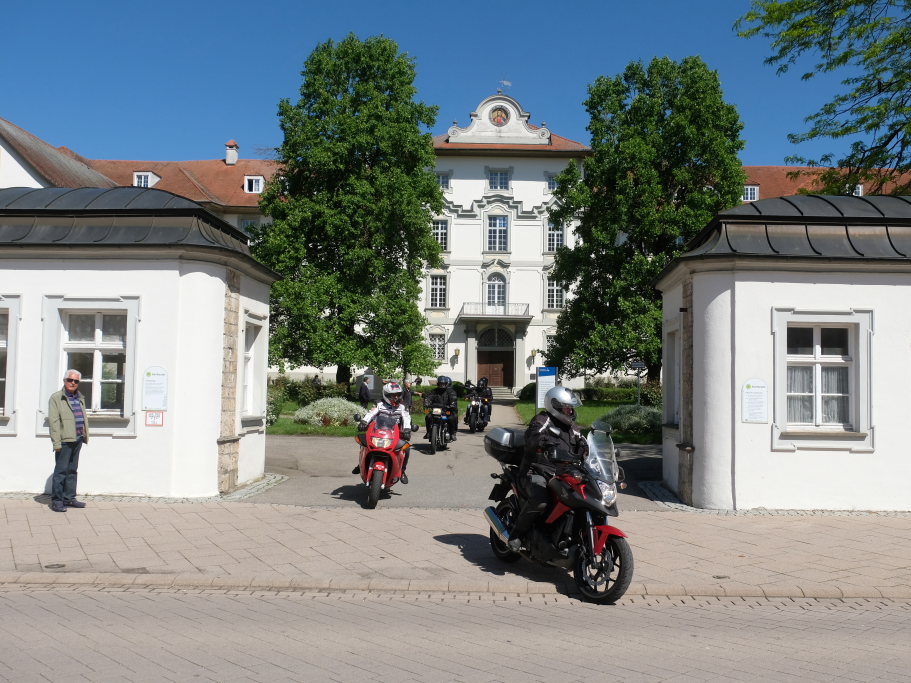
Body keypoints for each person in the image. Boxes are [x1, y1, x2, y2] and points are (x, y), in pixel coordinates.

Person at [508, 385, 587, 551]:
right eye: (567, 408)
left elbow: (582, 440)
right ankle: (517, 534)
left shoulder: (572, 427)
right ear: (555, 406)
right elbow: (533, 436)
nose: (570, 411)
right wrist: (543, 442)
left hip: (563, 473)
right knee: (541, 500)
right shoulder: (542, 420)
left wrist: (586, 448)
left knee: (582, 498)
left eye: (571, 408)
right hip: (536, 471)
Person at [352, 381, 413, 483]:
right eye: (393, 395)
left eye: (398, 395)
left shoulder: (403, 406)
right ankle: (361, 463)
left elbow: (407, 418)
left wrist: (407, 429)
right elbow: (371, 413)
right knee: (364, 443)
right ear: (386, 395)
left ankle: (402, 471)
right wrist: (364, 422)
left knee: (406, 449)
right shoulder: (379, 403)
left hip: (395, 433)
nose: (396, 397)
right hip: (377, 431)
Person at [47, 369, 91, 512]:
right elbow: (54, 422)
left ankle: (69, 498)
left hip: (78, 438)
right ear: (64, 380)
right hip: (64, 440)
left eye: (76, 381)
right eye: (70, 380)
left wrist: (84, 434)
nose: (73, 383)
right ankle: (57, 501)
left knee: (72, 470)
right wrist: (56, 442)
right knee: (61, 471)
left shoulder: (80, 397)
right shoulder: (56, 398)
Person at [424, 375, 459, 442]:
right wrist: (427, 402)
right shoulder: (434, 391)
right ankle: (428, 432)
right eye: (440, 384)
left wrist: (452, 404)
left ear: (446, 384)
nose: (442, 385)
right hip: (436, 410)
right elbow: (429, 397)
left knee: (451, 418)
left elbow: (453, 398)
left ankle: (452, 433)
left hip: (447, 410)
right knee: (428, 417)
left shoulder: (450, 391)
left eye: (443, 384)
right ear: (438, 384)